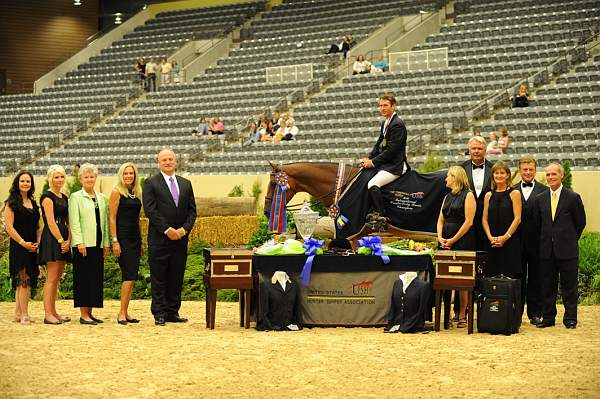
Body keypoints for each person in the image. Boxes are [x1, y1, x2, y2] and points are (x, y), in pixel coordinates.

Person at [143, 148, 197, 326]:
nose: (167, 162)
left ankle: (173, 311)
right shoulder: (151, 183)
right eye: (164, 160)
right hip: (159, 239)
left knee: (176, 276)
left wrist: (184, 230)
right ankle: (159, 313)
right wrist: (167, 229)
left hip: (180, 239)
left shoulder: (186, 183)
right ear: (159, 163)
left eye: (170, 159)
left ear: (176, 162)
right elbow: (150, 210)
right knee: (159, 277)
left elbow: (192, 211)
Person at [533, 163, 586, 329]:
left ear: (561, 176)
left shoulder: (573, 197)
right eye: (548, 175)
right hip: (547, 250)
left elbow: (580, 223)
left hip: (567, 250)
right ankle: (548, 318)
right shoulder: (539, 199)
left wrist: (567, 239)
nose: (550, 177)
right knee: (547, 285)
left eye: (554, 174)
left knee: (569, 286)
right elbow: (537, 224)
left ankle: (570, 318)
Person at [68, 164, 110, 325]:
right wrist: (79, 242)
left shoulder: (101, 198)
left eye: (92, 176)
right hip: (83, 245)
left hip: (97, 244)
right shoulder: (75, 197)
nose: (89, 179)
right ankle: (83, 315)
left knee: (95, 279)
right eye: (86, 177)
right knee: (83, 279)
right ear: (81, 179)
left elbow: (104, 223)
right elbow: (74, 221)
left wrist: (105, 243)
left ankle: (90, 314)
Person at [436, 166, 476, 328]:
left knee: (462, 280)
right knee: (445, 278)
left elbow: (469, 221)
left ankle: (462, 315)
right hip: (445, 241)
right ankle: (448, 315)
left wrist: (453, 239)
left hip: (463, 241)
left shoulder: (469, 195)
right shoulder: (446, 197)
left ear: (456, 177)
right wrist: (441, 238)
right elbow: (440, 220)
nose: (446, 179)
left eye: (448, 176)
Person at [360, 94, 408, 222]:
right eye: (380, 105)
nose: (382, 108)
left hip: (395, 165)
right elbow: (378, 144)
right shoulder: (385, 122)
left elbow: (392, 150)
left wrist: (373, 162)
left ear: (393, 106)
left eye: (385, 105)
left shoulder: (397, 124)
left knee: (372, 183)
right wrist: (368, 158)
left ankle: (381, 213)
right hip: (387, 164)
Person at [512, 158, 548, 325]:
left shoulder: (544, 191)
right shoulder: (511, 191)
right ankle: (516, 313)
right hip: (516, 244)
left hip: (537, 244)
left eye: (530, 169)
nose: (527, 172)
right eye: (524, 169)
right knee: (518, 279)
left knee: (536, 279)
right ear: (519, 171)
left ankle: (535, 313)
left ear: (535, 171)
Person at [3, 171, 41, 325]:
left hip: (32, 245)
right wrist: (23, 242)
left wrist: (38, 242)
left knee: (25, 280)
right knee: (23, 279)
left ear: (31, 184)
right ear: (17, 183)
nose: (25, 184)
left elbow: (38, 226)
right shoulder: (11, 202)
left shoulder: (33, 202)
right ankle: (25, 314)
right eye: (22, 181)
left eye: (28, 181)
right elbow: (9, 227)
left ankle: (18, 313)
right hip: (19, 246)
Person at [109, 162, 143, 325]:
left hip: (135, 238)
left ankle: (126, 312)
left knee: (132, 276)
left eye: (131, 173)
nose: (129, 176)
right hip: (122, 238)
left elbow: (136, 219)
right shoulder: (117, 192)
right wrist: (115, 240)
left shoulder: (135, 193)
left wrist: (141, 241)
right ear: (121, 175)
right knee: (128, 275)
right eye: (126, 173)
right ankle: (121, 313)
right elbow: (112, 218)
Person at [38, 165, 72, 325]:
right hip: (53, 238)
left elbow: (68, 221)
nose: (59, 179)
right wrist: (60, 241)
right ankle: (47, 314)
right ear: (50, 178)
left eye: (61, 177)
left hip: (64, 237)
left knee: (57, 277)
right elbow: (50, 222)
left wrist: (69, 241)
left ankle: (54, 312)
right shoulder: (47, 197)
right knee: (51, 277)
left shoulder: (64, 197)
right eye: (56, 177)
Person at [482, 161, 522, 277]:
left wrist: (505, 238)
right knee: (492, 277)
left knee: (509, 278)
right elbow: (484, 219)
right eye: (496, 173)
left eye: (502, 173)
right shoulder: (488, 195)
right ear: (492, 175)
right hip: (492, 242)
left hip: (510, 242)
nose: (499, 175)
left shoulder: (515, 193)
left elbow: (518, 218)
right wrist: (490, 237)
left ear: (507, 175)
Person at [461, 136, 492, 250]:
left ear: (485, 151)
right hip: (466, 218)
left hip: (488, 219)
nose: (476, 151)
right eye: (473, 148)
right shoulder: (461, 169)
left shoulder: (493, 169)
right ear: (469, 150)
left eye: (479, 148)